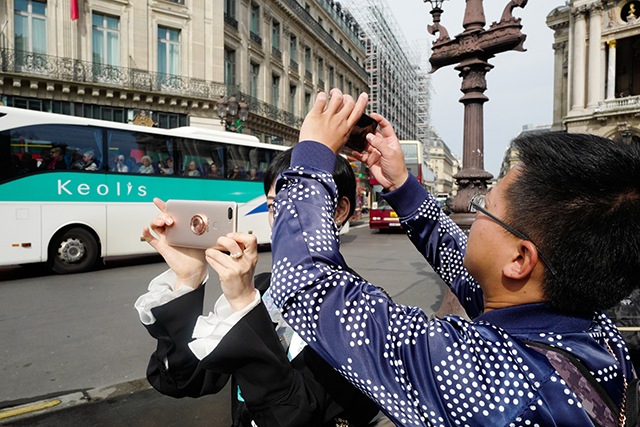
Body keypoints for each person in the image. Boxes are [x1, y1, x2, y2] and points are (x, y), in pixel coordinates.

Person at [263, 89, 640, 426]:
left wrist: (311, 155)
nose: (473, 215)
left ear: (520, 259)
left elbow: (309, 284)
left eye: (485, 207)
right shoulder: (589, 329)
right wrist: (400, 185)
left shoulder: (493, 384)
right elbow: (467, 267)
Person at [135, 149, 381, 427]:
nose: (281, 220)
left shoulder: (365, 307)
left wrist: (243, 304)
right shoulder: (262, 286)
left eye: (297, 205)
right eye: (275, 206)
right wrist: (188, 280)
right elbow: (184, 380)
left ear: (339, 211)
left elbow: (293, 418)